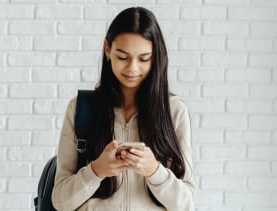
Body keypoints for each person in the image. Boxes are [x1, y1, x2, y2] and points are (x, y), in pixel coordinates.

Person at [51, 7, 194, 211]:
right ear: (107, 50)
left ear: (155, 57)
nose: (132, 68)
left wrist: (154, 171)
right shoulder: (82, 108)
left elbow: (187, 204)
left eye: (144, 59)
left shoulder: (174, 111)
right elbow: (60, 202)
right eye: (123, 57)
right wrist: (96, 170)